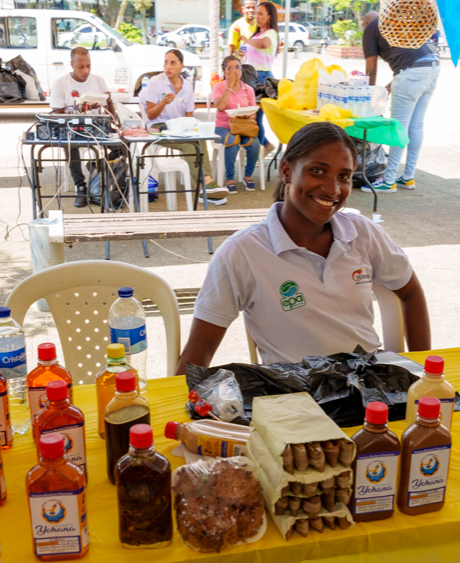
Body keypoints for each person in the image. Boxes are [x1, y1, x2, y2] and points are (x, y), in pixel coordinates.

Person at [175, 123, 430, 373]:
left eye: (344, 176)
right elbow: (201, 347)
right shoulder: (242, 253)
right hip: (297, 395)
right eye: (318, 171)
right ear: (286, 171)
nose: (332, 189)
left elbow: (410, 292)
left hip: (369, 384)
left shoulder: (363, 233)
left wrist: (425, 372)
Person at [360, 10, 440, 193]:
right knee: (416, 124)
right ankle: (408, 177)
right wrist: (394, 82)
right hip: (433, 65)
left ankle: (388, 180)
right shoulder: (398, 20)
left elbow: (371, 69)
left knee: (398, 126)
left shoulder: (371, 28)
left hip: (412, 71)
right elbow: (410, 55)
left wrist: (368, 97)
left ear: (365, 23)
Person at [138, 50, 227, 201]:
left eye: (173, 63)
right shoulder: (156, 82)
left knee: (199, 138)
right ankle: (204, 186)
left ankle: (207, 183)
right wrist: (163, 103)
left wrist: (194, 129)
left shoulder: (186, 86)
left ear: (181, 66)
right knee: (190, 146)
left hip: (178, 128)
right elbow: (150, 115)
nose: (168, 66)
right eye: (166, 62)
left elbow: (189, 116)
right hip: (157, 127)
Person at [49, 46, 115, 207]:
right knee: (69, 144)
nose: (85, 71)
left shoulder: (98, 81)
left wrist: (110, 101)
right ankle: (81, 186)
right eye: (81, 67)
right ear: (71, 64)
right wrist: (82, 109)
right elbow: (57, 115)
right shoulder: (60, 84)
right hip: (72, 129)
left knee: (123, 145)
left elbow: (110, 112)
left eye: (88, 66)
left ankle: (96, 167)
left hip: (97, 127)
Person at [212, 55, 260, 193]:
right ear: (224, 72)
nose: (235, 71)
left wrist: (247, 114)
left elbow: (254, 113)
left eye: (237, 67)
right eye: (230, 68)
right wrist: (229, 86)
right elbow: (220, 107)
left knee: (254, 143)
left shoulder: (248, 89)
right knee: (232, 140)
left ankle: (248, 175)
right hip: (223, 126)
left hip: (242, 125)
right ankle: (230, 178)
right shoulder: (219, 87)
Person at [242, 1, 278, 160]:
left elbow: (264, 45)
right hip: (250, 77)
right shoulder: (256, 34)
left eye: (261, 14)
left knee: (255, 117)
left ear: (269, 17)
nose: (256, 17)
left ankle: (262, 146)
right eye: (256, 13)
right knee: (250, 116)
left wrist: (247, 41)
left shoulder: (270, 34)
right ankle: (262, 145)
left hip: (261, 79)